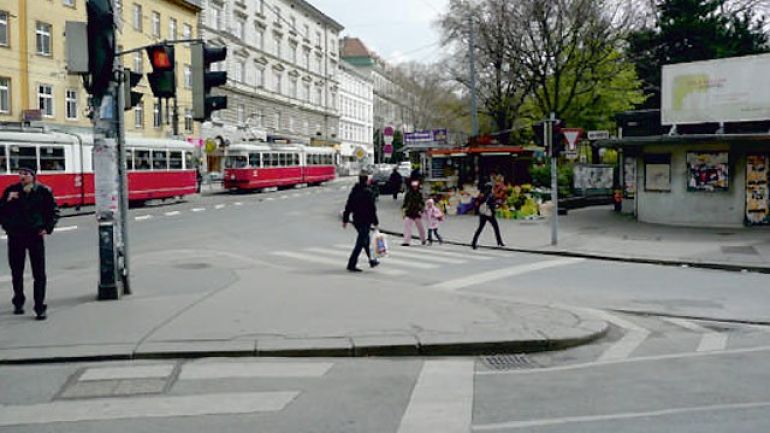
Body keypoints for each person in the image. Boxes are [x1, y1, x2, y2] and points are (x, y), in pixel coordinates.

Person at [0, 167, 59, 320]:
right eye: (20, 173)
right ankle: (18, 301)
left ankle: (40, 307)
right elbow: (1, 212)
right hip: (16, 235)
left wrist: (47, 228)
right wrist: (7, 201)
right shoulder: (11, 190)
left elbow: (53, 211)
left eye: (25, 174)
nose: (22, 176)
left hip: (35, 235)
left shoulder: (43, 191)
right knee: (16, 271)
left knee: (39, 273)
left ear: (33, 176)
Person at [342, 170, 380, 272]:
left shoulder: (354, 191)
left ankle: (372, 260)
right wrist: (375, 221)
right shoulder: (368, 192)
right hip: (365, 220)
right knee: (361, 242)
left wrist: (345, 219)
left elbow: (348, 205)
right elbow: (372, 209)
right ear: (367, 180)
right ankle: (351, 263)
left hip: (356, 219)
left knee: (365, 240)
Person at [471, 182, 504, 250]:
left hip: (482, 214)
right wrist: (496, 206)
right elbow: (491, 205)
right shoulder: (491, 195)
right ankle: (499, 242)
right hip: (489, 214)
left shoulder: (482, 195)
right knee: (496, 227)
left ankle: (474, 242)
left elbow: (477, 203)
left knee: (480, 228)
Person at [401, 180, 426, 246]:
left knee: (420, 227)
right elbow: (405, 202)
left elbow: (422, 203)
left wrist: (422, 210)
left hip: (417, 212)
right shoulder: (409, 194)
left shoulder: (419, 194)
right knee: (407, 227)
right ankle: (406, 241)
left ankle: (423, 239)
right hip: (409, 212)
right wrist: (403, 209)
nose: (415, 188)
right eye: (413, 187)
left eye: (416, 187)